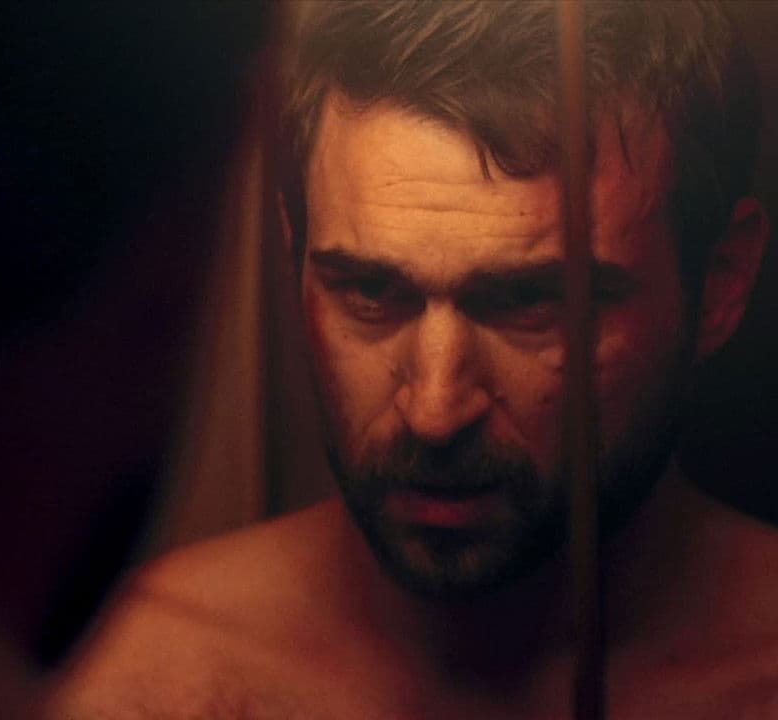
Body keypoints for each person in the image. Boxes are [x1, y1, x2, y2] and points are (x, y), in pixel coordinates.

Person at [41, 2, 778, 718]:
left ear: (721, 284)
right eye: (371, 292)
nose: (434, 412)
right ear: (296, 253)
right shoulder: (141, 680)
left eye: (530, 302)